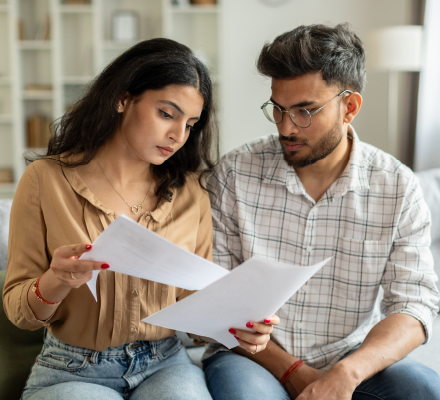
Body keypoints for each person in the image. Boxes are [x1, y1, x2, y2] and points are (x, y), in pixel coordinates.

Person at [2, 38, 277, 400]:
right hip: (72, 369)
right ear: (123, 98)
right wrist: (57, 280)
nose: (178, 136)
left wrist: (237, 327)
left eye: (190, 124)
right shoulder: (46, 180)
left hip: (164, 364)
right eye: (167, 114)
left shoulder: (190, 191)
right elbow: (19, 312)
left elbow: (195, 307)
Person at [203, 23, 440, 400]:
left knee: (426, 389)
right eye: (278, 110)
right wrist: (295, 371)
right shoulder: (234, 174)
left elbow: (414, 304)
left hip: (352, 356)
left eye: (305, 111)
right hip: (252, 357)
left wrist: (348, 371)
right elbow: (213, 297)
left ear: (350, 107)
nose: (286, 127)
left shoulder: (397, 186)